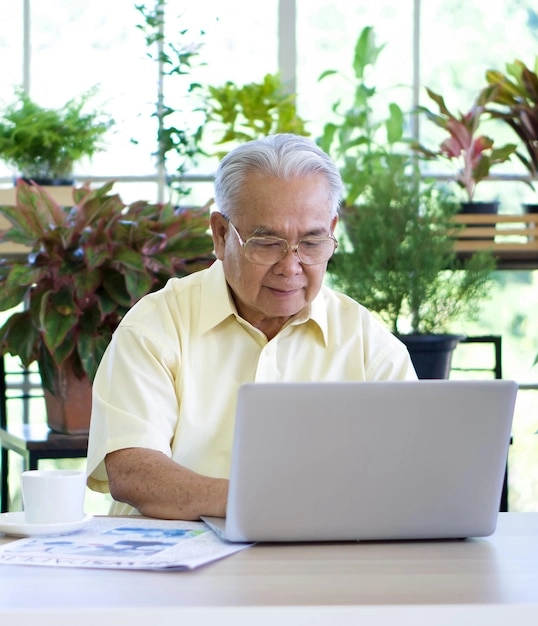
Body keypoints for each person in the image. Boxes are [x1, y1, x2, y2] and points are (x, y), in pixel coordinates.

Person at [86, 133, 417, 520]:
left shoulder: (367, 343)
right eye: (267, 243)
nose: (290, 266)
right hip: (170, 566)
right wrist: (263, 503)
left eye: (311, 244)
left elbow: (410, 470)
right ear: (221, 234)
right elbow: (133, 470)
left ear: (332, 230)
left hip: (317, 565)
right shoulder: (156, 325)